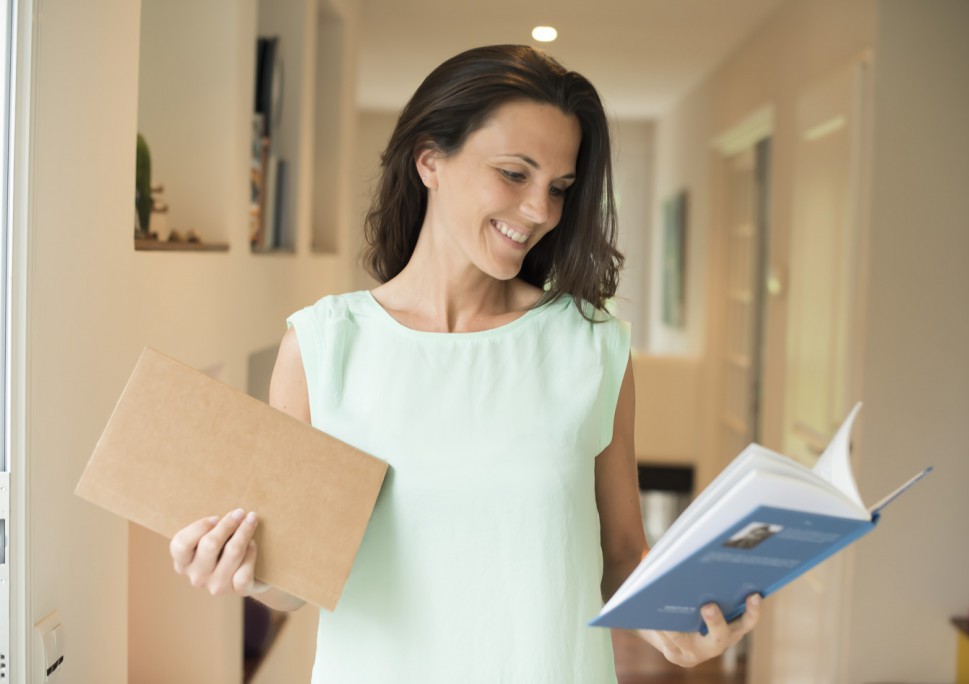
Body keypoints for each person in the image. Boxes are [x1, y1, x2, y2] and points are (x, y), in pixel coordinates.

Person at [168, 44, 760, 681]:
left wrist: (674, 620)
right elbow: (292, 584)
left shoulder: (590, 346)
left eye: (559, 187)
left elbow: (618, 552)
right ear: (430, 161)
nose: (540, 210)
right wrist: (240, 569)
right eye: (514, 173)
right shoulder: (323, 345)